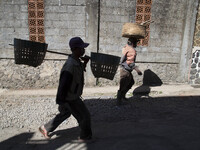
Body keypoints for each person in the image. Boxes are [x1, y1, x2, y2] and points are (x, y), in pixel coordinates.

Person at [39, 37, 93, 142]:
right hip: (71, 97)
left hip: (72, 95)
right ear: (76, 49)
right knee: (84, 116)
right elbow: (63, 84)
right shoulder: (70, 65)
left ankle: (45, 128)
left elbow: (79, 69)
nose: (84, 50)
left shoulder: (76, 61)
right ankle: (85, 137)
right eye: (82, 48)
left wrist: (85, 63)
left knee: (65, 113)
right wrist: (61, 100)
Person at [117, 37, 142, 105]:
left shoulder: (125, 47)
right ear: (132, 43)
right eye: (136, 42)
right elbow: (130, 63)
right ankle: (118, 102)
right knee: (122, 86)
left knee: (131, 82)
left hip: (124, 68)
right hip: (125, 70)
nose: (137, 44)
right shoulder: (131, 50)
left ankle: (122, 96)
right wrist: (137, 70)